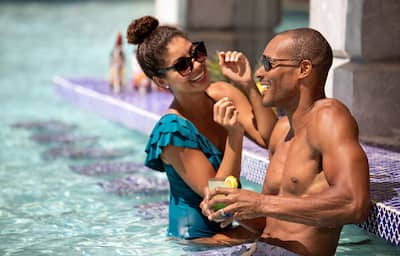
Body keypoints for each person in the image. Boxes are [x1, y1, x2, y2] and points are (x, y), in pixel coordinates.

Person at [201, 28, 371, 256]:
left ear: (304, 69)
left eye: (269, 64)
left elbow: (354, 203)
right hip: (259, 248)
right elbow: (273, 224)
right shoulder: (282, 130)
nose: (260, 73)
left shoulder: (329, 116)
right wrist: (236, 209)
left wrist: (259, 203)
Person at [126, 16, 277, 242]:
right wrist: (234, 136)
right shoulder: (172, 132)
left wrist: (248, 85)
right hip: (198, 243)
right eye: (182, 65)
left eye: (196, 52)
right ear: (161, 81)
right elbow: (220, 201)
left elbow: (272, 139)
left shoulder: (223, 93)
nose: (197, 64)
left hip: (230, 231)